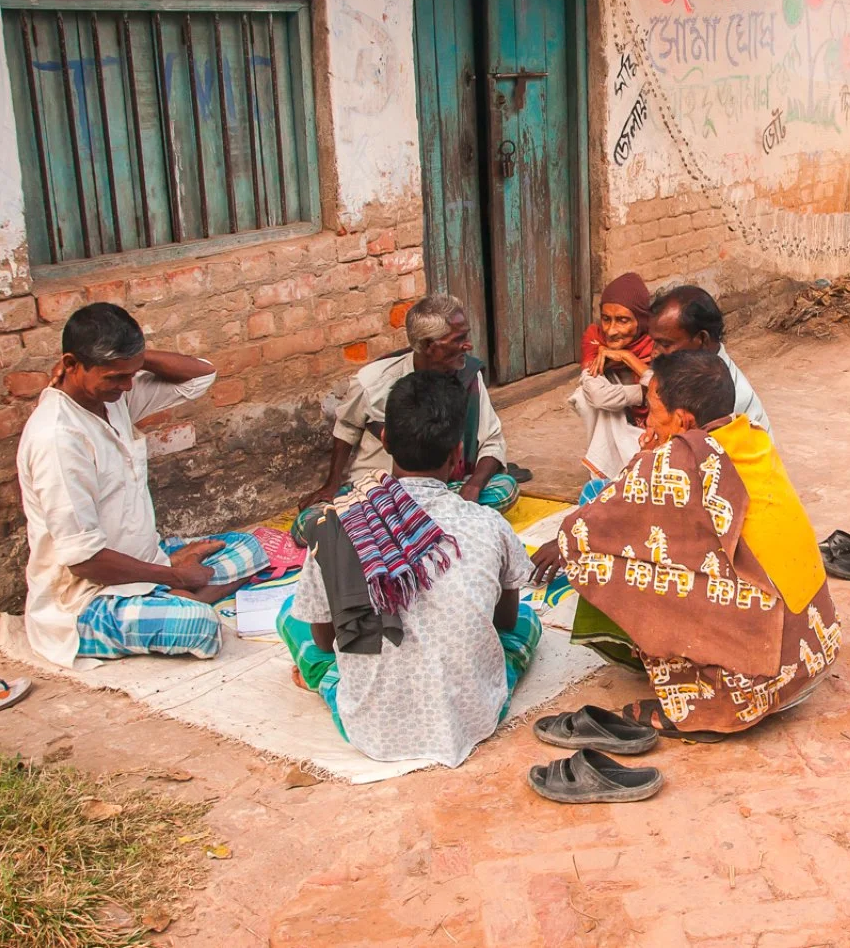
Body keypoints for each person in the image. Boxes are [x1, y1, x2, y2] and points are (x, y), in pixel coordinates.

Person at [535, 350, 841, 740]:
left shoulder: (677, 461)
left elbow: (591, 528)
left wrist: (645, 459)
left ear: (684, 421)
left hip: (764, 677)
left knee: (597, 555)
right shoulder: (750, 436)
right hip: (812, 649)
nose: (646, 419)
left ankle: (708, 699)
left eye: (652, 410)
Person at [277, 370, 541, 767]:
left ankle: (322, 682)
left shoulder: (336, 527)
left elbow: (322, 639)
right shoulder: (488, 523)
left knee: (292, 619)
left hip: (373, 727)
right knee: (527, 622)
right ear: (456, 454)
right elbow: (504, 620)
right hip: (472, 717)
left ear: (384, 441)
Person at [16, 303, 268, 666]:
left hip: (147, 562)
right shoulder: (58, 439)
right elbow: (84, 561)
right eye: (115, 376)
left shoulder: (114, 397)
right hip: (88, 601)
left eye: (131, 374)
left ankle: (172, 592)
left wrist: (135, 357)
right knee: (198, 626)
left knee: (250, 546)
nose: (127, 386)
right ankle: (183, 596)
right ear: (71, 364)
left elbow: (202, 375)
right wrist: (174, 573)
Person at [301, 295, 516, 514]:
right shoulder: (373, 381)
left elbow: (492, 441)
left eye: (466, 336)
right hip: (380, 493)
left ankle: (404, 524)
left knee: (504, 490)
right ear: (427, 345)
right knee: (311, 517)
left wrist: (473, 487)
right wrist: (332, 485)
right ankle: (426, 521)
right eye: (457, 339)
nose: (468, 345)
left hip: (442, 490)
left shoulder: (468, 377)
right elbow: (347, 426)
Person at [647, 285, 772, 438]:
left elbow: (701, 453)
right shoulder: (693, 374)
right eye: (654, 342)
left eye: (665, 344)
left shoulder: (722, 395)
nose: (655, 352)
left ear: (702, 339)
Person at [569, 272, 656, 482]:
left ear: (641, 320)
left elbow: (668, 392)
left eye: (623, 321)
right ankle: (604, 471)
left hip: (654, 421)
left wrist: (627, 357)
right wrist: (645, 393)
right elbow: (596, 394)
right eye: (606, 319)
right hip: (624, 410)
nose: (611, 331)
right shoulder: (594, 337)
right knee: (584, 397)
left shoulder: (657, 341)